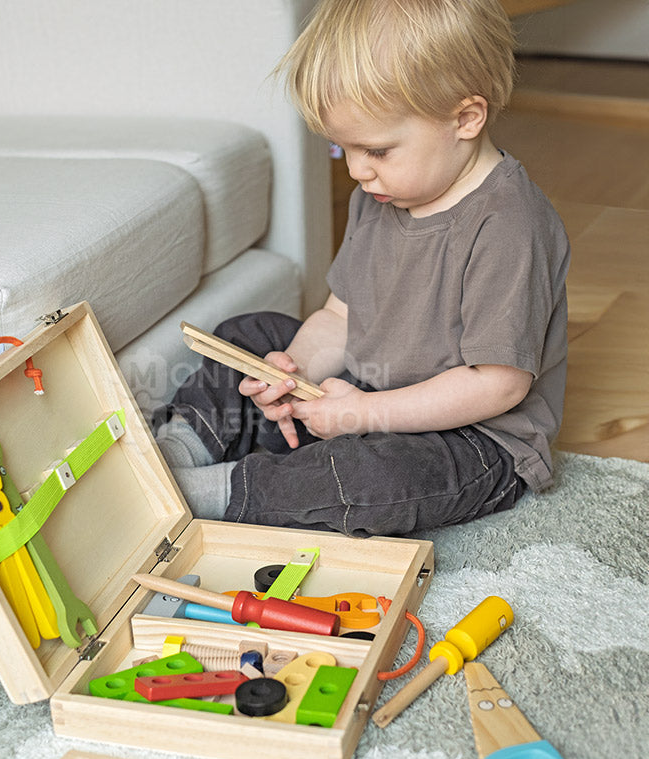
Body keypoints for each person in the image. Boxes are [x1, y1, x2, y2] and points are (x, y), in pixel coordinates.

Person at [153, 0, 569, 537]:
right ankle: (176, 448)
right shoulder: (382, 193)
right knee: (249, 336)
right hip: (369, 387)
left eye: (375, 149)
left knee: (372, 482)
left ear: (465, 118)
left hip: (475, 437)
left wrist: (365, 416)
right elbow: (341, 316)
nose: (355, 170)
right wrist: (294, 372)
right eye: (340, 148)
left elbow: (498, 386)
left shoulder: (511, 225)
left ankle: (205, 493)